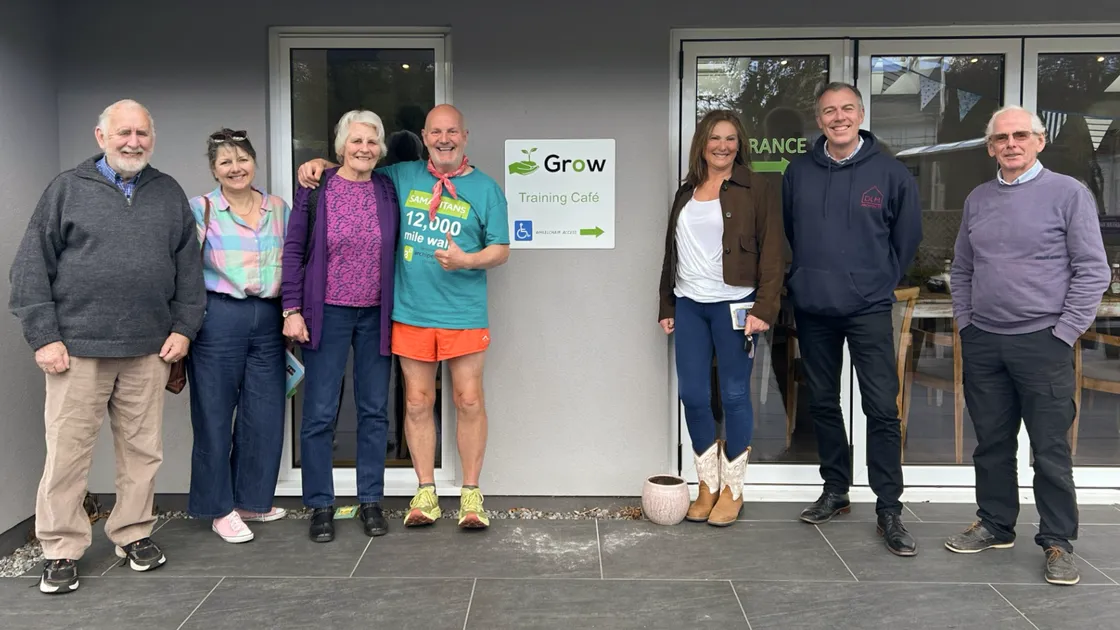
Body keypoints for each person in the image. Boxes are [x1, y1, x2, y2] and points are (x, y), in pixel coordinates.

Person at [9, 99, 205, 593]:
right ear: (101, 137)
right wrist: (44, 337)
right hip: (76, 350)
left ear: (151, 139)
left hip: (148, 350)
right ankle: (59, 547)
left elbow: (189, 271)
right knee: (67, 456)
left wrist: (183, 329)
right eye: (123, 133)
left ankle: (133, 533)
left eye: (141, 133)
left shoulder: (167, 192)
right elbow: (30, 267)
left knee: (143, 453)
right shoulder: (67, 190)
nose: (133, 141)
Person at [297, 103, 510, 530]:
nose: (444, 139)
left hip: (463, 311)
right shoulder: (400, 176)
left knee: (468, 400)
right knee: (416, 402)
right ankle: (426, 491)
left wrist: (467, 260)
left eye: (452, 131)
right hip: (409, 311)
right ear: (424, 136)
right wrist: (320, 163)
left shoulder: (486, 189)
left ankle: (471, 494)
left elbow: (501, 249)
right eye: (436, 132)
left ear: (465, 136)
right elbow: (354, 168)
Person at [946, 106, 1109, 586]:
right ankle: (996, 525)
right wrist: (967, 325)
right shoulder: (978, 199)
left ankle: (1058, 541)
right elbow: (962, 269)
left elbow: (1092, 270)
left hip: (1044, 342)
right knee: (991, 444)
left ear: (1039, 141)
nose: (1010, 144)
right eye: (1001, 138)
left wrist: (1064, 332)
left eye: (1021, 135)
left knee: (1050, 449)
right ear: (990, 147)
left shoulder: (1068, 194)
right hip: (985, 342)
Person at [782, 82, 922, 556]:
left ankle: (889, 507)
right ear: (818, 119)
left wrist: (876, 284)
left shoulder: (891, 173)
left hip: (867, 308)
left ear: (861, 114)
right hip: (814, 308)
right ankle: (836, 490)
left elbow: (906, 241)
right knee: (822, 403)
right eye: (828, 111)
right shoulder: (798, 171)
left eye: (846, 109)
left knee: (881, 407)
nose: (838, 117)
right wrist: (801, 280)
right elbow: (789, 231)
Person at [657, 109, 784, 526]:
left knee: (733, 395)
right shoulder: (687, 191)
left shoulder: (757, 188)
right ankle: (706, 485)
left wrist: (764, 308)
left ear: (739, 143)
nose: (723, 146)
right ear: (702, 144)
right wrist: (667, 304)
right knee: (693, 394)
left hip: (735, 305)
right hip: (690, 304)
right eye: (715, 138)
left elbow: (772, 253)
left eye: (730, 138)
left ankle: (733, 490)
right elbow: (671, 252)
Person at [282, 110, 400, 543]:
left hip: (375, 315)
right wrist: (290, 309)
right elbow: (294, 251)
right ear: (340, 146)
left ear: (381, 148)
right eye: (356, 141)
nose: (364, 148)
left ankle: (371, 500)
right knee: (318, 413)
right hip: (326, 313)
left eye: (372, 141)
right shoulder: (316, 189)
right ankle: (320, 504)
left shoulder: (388, 189)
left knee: (374, 411)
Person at [186, 128, 291, 544]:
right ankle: (219, 508)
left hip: (268, 316)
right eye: (225, 162)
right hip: (218, 317)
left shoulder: (278, 208)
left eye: (242, 159)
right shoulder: (201, 210)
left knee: (263, 414)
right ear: (214, 169)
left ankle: (251, 500)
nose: (236, 168)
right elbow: (184, 270)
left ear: (254, 162)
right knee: (213, 414)